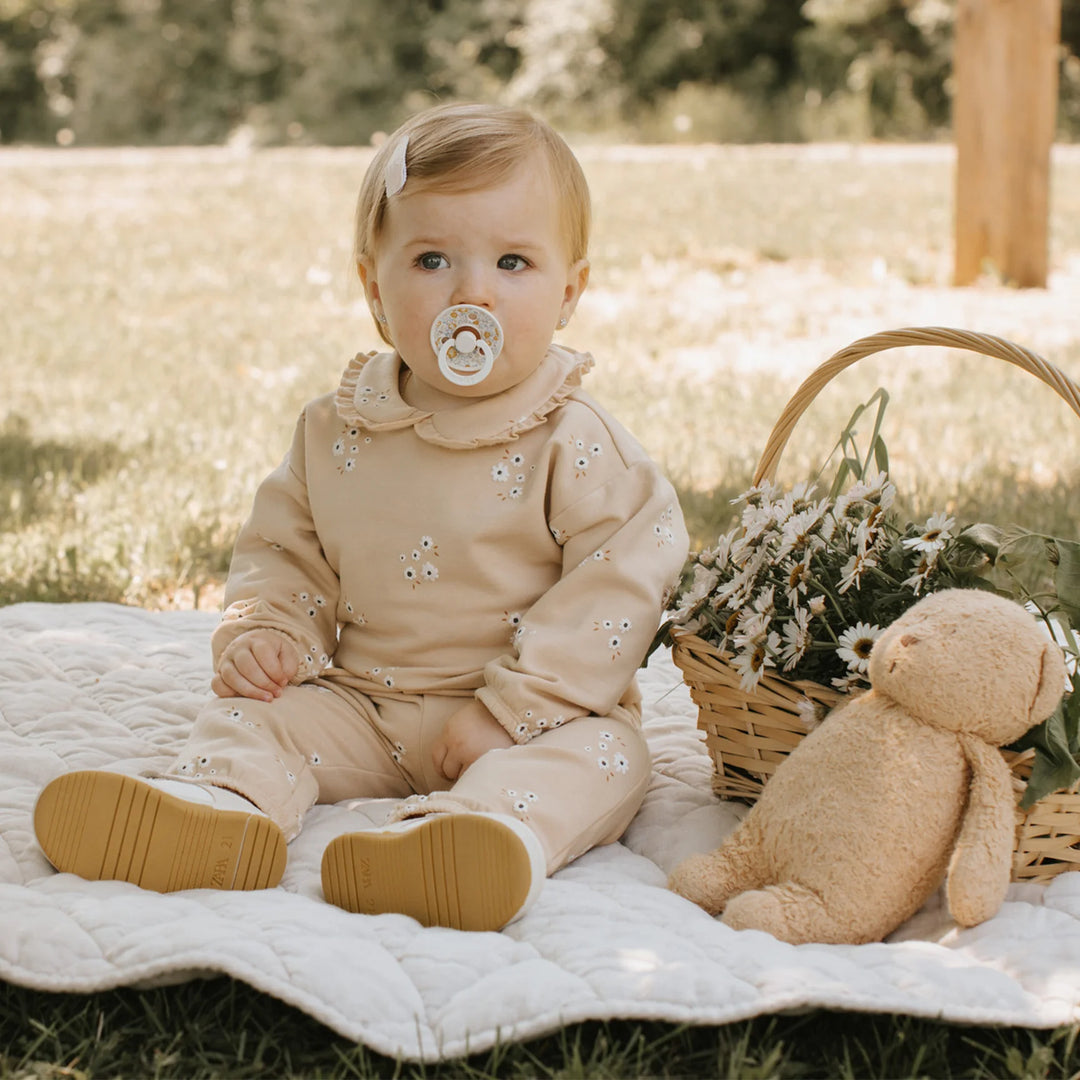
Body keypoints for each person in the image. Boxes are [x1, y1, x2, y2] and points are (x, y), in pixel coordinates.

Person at [34, 102, 690, 932]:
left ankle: (473, 839)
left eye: (513, 261)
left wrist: (517, 709)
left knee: (611, 756)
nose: (472, 293)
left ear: (569, 291)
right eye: (431, 259)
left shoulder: (576, 440)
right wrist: (269, 632)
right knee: (253, 718)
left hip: (525, 724)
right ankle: (217, 808)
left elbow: (621, 579)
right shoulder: (336, 427)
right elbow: (285, 547)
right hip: (361, 705)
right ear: (373, 285)